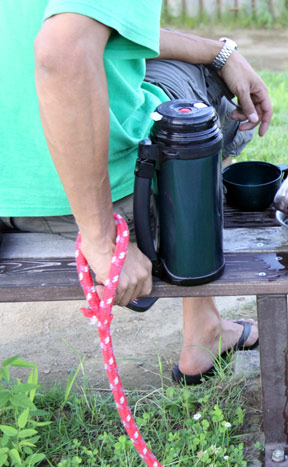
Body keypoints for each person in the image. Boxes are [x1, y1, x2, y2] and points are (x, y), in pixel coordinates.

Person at [0, 1, 273, 385]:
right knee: (194, 102)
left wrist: (220, 52)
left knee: (182, 64)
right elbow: (64, 51)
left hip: (7, 195)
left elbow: (110, 30)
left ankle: (206, 323)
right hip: (101, 203)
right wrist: (101, 239)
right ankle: (201, 326)